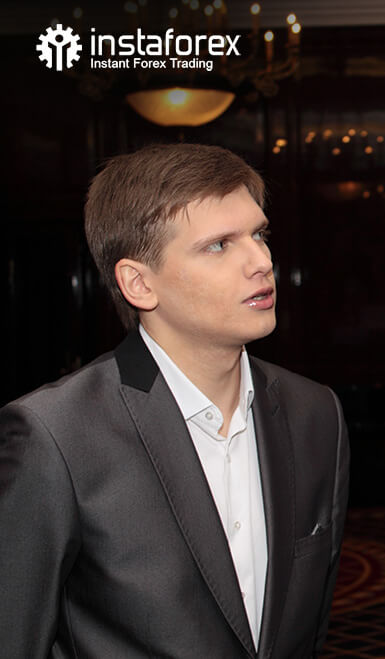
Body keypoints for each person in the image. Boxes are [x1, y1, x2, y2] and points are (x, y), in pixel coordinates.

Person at [0, 143, 350, 657]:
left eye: (259, 235)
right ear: (139, 283)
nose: (261, 262)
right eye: (219, 245)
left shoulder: (315, 413)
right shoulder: (56, 435)